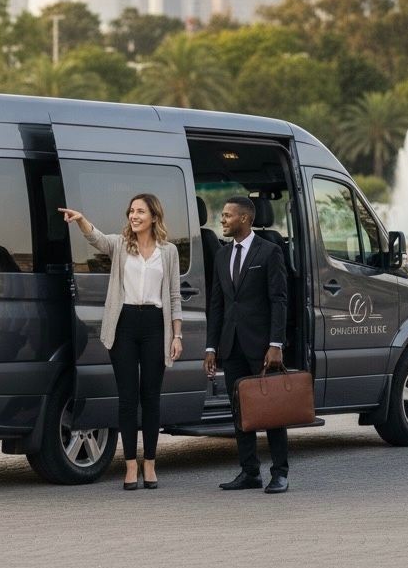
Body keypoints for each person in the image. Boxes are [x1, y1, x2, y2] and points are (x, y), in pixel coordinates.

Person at [59, 194, 182, 489]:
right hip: (124, 324)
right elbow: (97, 239)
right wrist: (81, 220)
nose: (134, 215)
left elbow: (175, 296)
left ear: (154, 216)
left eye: (140, 211)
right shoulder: (120, 245)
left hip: (156, 324)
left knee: (150, 398)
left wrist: (176, 335)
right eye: (131, 211)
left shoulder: (169, 252)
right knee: (127, 398)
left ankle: (149, 465)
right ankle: (129, 466)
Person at [204, 195, 290, 494]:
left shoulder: (270, 252)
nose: (222, 220)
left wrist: (275, 343)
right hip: (232, 346)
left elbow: (279, 300)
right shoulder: (221, 255)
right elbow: (217, 304)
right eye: (223, 215)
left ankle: (279, 472)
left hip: (263, 346)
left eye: (227, 215)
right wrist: (211, 347)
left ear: (245, 218)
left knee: (271, 410)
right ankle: (249, 471)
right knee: (240, 410)